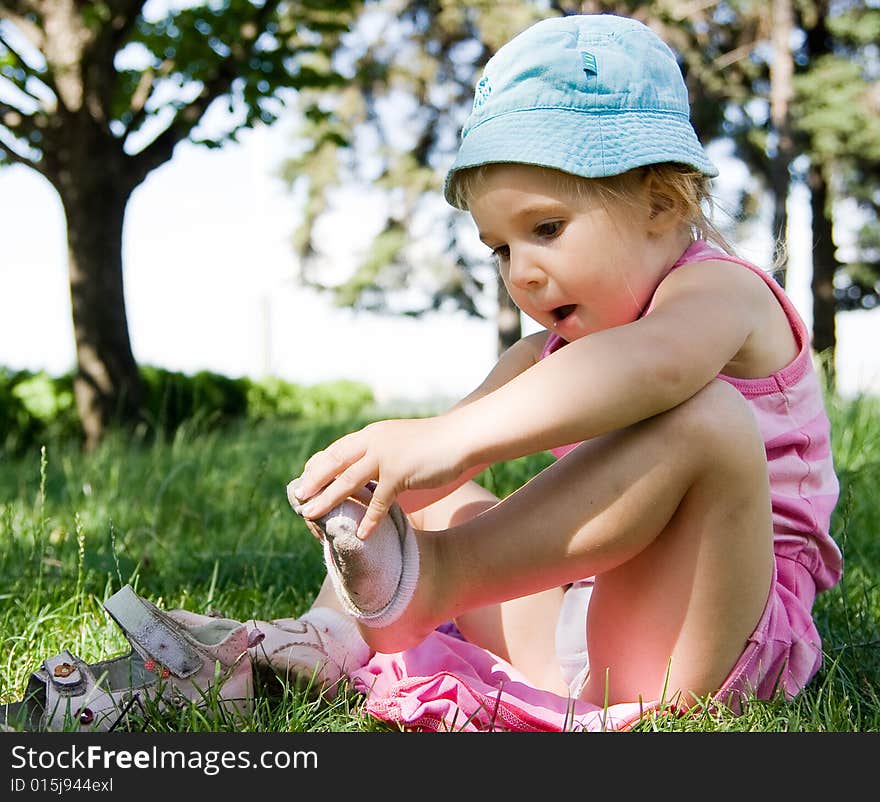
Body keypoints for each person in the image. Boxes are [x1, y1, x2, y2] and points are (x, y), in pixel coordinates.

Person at [248, 13, 843, 731]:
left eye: (546, 229)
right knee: (425, 496)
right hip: (578, 640)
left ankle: (439, 576)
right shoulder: (541, 356)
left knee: (707, 416)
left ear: (662, 200)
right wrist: (374, 482)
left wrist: (454, 440)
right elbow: (429, 463)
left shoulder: (721, 295)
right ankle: (330, 636)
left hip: (711, 638)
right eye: (499, 249)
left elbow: (652, 367)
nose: (522, 274)